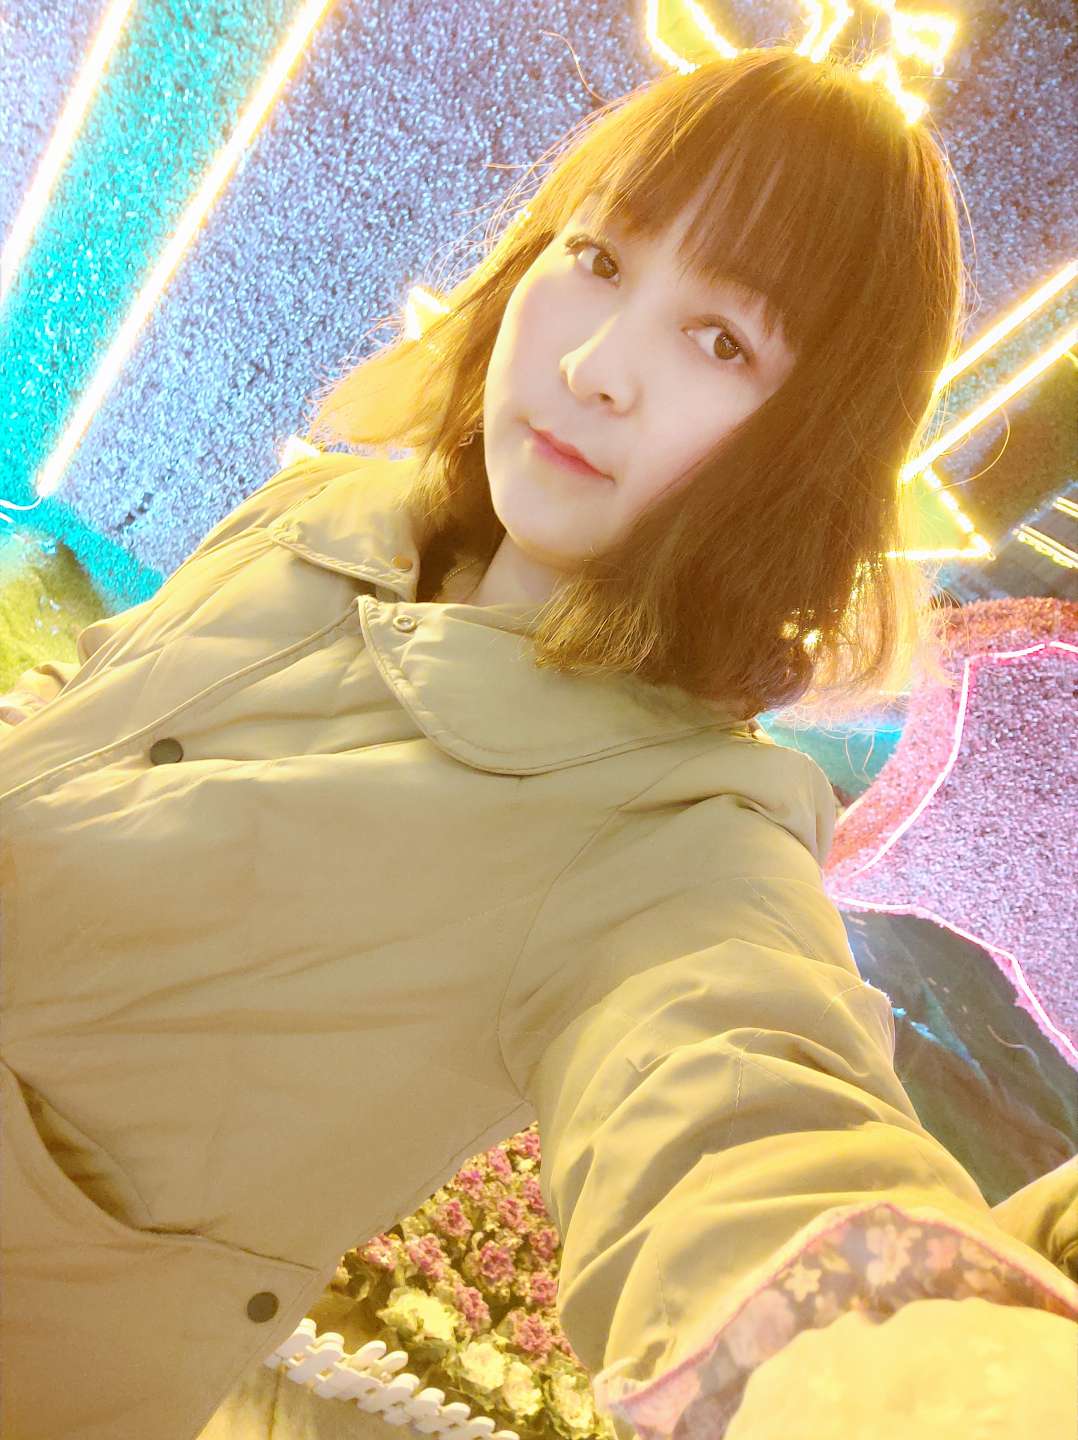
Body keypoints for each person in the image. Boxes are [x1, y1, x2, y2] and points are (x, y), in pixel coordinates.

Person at [2, 45, 1075, 1440]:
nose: (591, 367)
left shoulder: (667, 846)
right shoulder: (334, 512)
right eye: (601, 257)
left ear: (809, 454)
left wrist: (931, 1373)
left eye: (721, 341)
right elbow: (97, 707)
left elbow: (746, 1138)